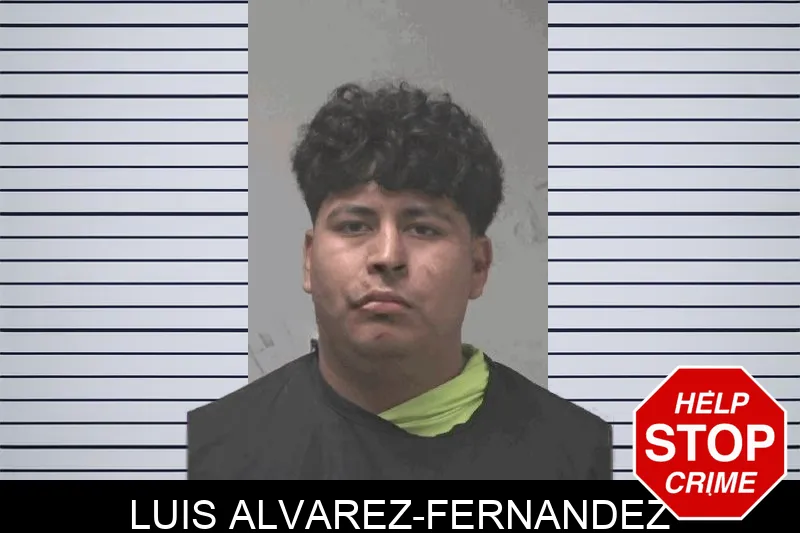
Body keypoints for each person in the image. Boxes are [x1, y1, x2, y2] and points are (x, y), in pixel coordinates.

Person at [187, 80, 612, 480]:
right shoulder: (206, 454)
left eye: (423, 229)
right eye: (354, 226)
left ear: (478, 266)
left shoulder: (587, 458)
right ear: (309, 260)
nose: (387, 256)